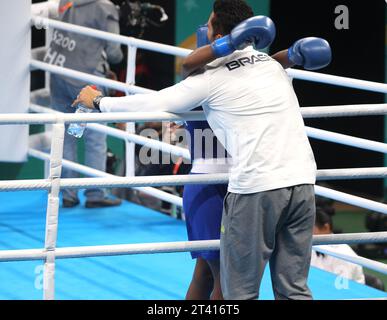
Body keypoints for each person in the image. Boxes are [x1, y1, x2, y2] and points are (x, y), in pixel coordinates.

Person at [74, 0, 331, 300]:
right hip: (302, 184)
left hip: (257, 188)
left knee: (239, 293)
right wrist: (292, 54)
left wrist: (99, 101)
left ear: (217, 35)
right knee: (294, 289)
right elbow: (259, 62)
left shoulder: (210, 80)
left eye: (209, 24)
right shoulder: (273, 68)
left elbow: (153, 103)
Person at [182, 22, 330, 300]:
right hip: (216, 186)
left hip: (251, 184)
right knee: (219, 278)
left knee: (211, 273)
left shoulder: (260, 76)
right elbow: (189, 70)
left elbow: (268, 66)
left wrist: (293, 55)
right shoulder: (197, 85)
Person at [44, 0, 123, 208]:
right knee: (94, 138)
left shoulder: (66, 0)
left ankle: (69, 194)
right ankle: (95, 193)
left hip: (59, 75)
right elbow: (115, 53)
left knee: (67, 136)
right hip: (86, 82)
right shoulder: (104, 7)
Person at [311, 207, 365, 284]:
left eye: (310, 228)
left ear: (326, 227)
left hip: (347, 294)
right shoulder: (310, 248)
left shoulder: (343, 254)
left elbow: (342, 289)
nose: (306, 233)